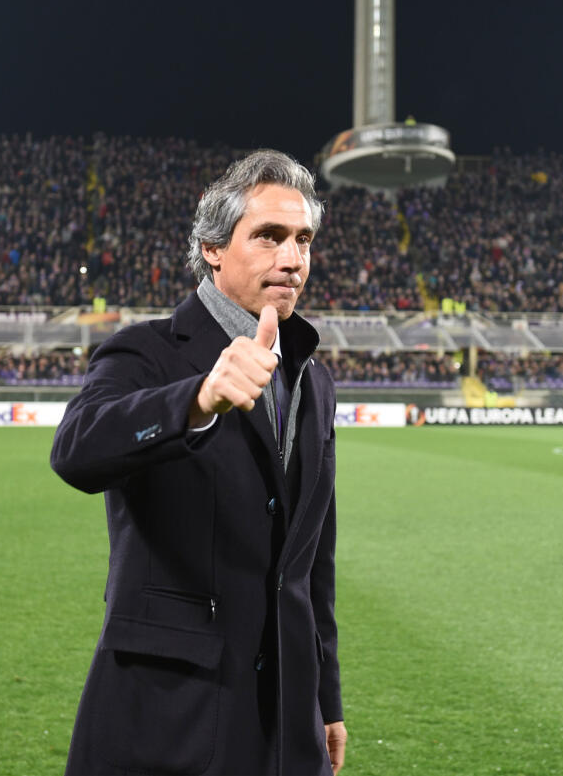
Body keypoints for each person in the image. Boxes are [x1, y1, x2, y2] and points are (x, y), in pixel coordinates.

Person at [51, 149, 346, 776]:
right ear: (213, 247)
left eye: (303, 240)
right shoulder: (148, 351)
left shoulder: (314, 381)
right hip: (174, 711)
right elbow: (76, 449)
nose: (292, 260)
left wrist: (325, 697)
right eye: (268, 237)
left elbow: (313, 561)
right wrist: (197, 398)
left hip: (287, 716)